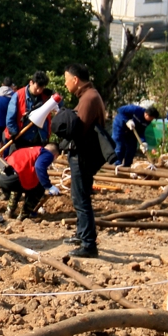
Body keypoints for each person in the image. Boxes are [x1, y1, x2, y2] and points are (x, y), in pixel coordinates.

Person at [57, 62, 107, 258]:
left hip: (83, 155)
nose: (65, 84)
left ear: (75, 80)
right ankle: (81, 234)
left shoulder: (88, 98)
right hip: (84, 154)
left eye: (66, 80)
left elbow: (79, 130)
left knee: (81, 199)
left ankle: (88, 244)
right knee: (80, 196)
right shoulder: (89, 95)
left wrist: (62, 121)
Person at [0, 142, 61, 220]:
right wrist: (49, 186)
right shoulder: (48, 154)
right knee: (39, 188)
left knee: (19, 182)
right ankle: (24, 215)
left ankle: (10, 210)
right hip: (11, 178)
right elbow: (39, 166)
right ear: (55, 156)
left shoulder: (32, 150)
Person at [5, 72, 52, 151]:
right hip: (21, 138)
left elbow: (59, 105)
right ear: (31, 82)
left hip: (39, 138)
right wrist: (15, 133)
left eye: (42, 88)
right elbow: (10, 118)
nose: (39, 90)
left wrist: (54, 94)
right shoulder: (18, 95)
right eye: (37, 87)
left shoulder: (46, 97)